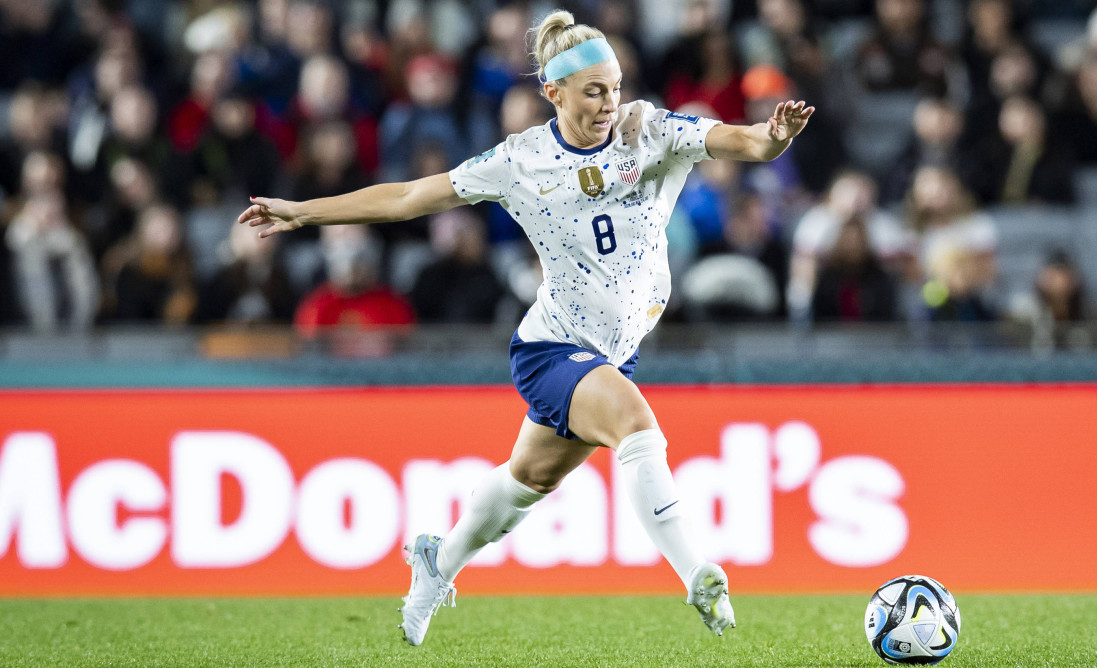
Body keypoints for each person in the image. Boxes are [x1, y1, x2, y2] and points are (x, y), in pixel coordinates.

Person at [238, 9, 814, 647]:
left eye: (614, 86)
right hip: (553, 348)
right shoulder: (522, 160)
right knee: (637, 429)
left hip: (613, 352)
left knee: (528, 480)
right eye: (593, 90)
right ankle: (699, 574)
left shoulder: (649, 130)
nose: (608, 103)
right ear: (554, 92)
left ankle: (438, 562)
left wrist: (774, 135)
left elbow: (747, 143)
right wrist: (303, 213)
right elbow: (406, 198)